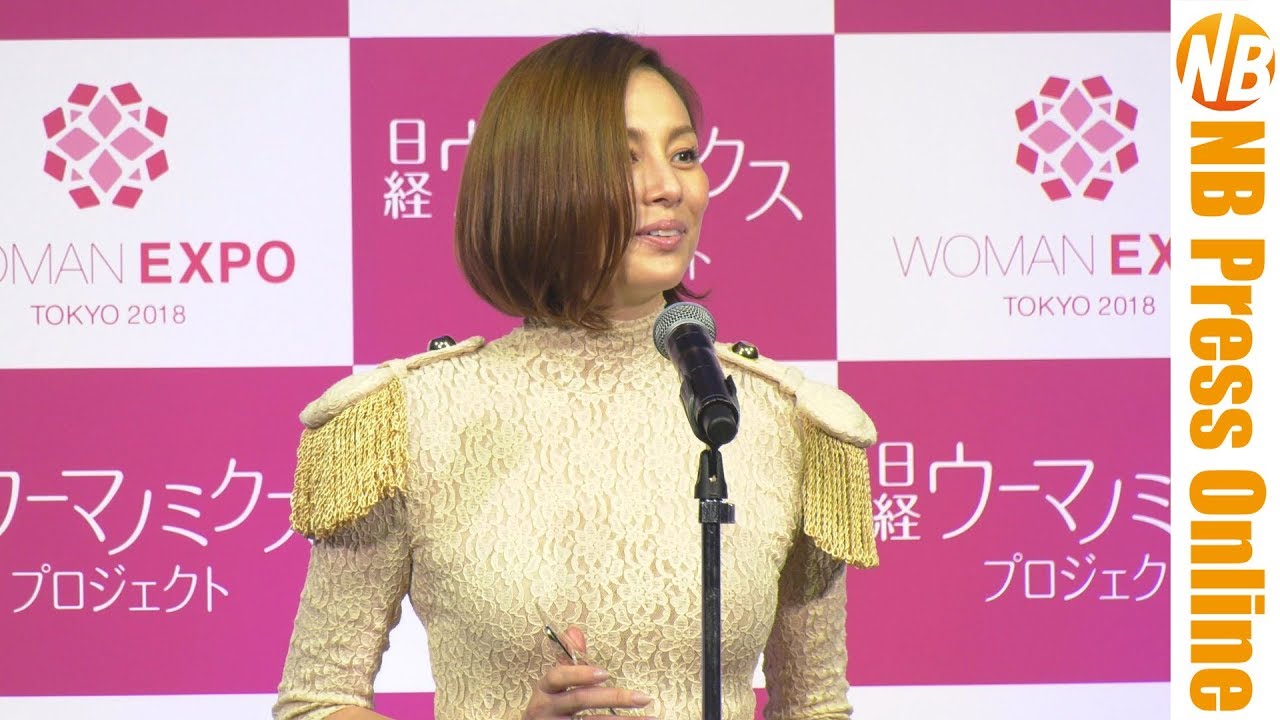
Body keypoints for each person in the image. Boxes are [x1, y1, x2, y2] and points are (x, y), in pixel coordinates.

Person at [273, 31, 878, 720]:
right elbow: (317, 703)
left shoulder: (775, 418)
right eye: (625, 159)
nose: (669, 187)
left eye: (684, 154)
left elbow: (815, 706)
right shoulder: (407, 417)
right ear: (538, 186)